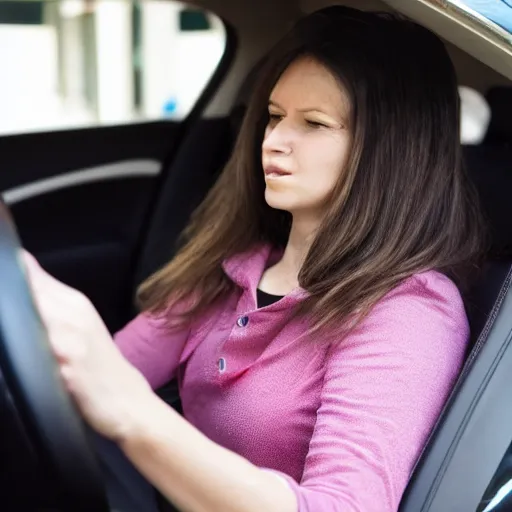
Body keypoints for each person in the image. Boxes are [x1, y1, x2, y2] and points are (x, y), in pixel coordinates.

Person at [22, 5, 487, 512]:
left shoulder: (407, 310)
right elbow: (104, 372)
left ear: (389, 148)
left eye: (313, 123)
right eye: (274, 116)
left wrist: (134, 414)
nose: (275, 141)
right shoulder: (236, 266)